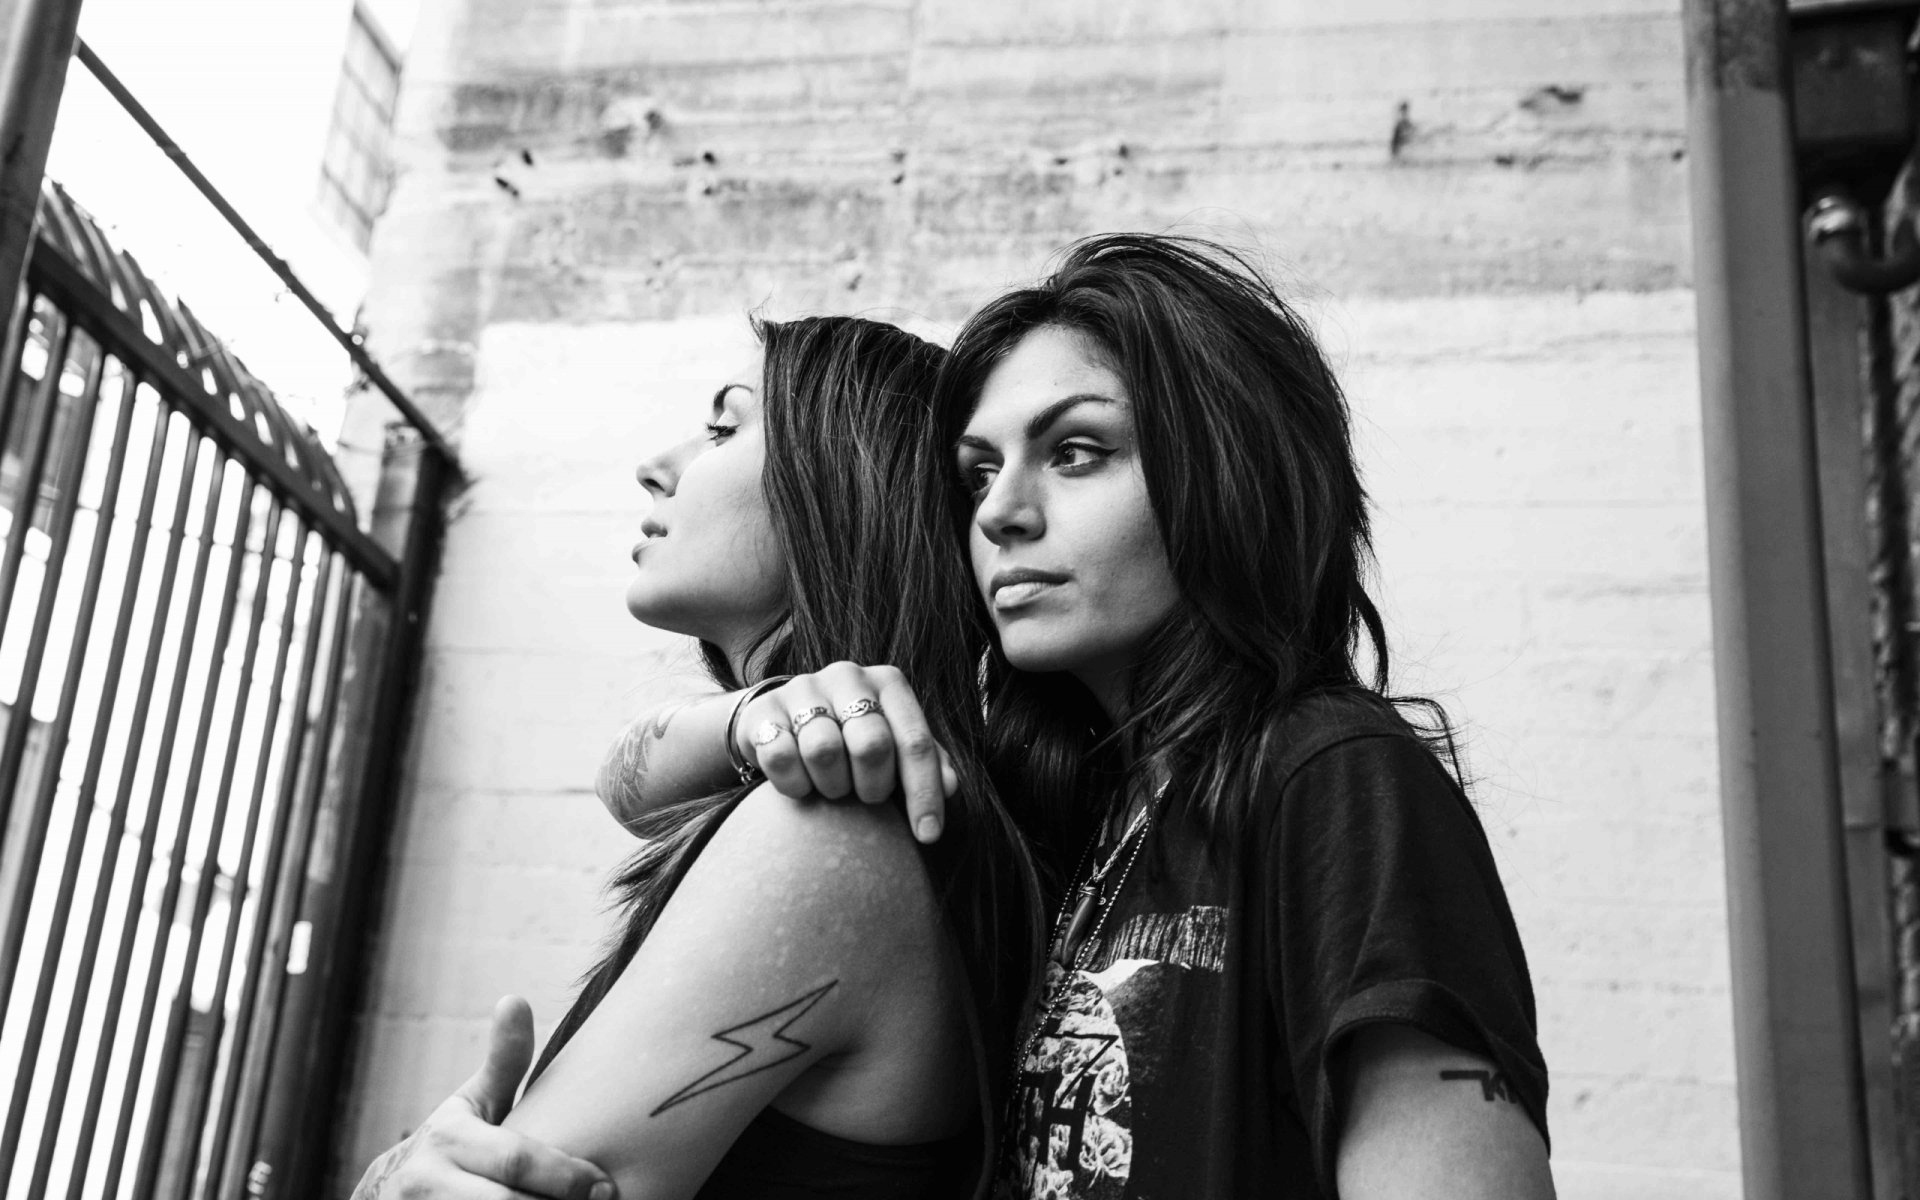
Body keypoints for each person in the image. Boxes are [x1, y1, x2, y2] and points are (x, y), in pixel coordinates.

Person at [360, 233, 1555, 1199]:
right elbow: (632, 781)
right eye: (978, 474)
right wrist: (760, 718)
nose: (1002, 516)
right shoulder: (1078, 816)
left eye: (1077, 453)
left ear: (1223, 473)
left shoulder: (1332, 775)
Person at [352, 314, 1042, 1200]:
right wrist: (750, 718)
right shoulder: (808, 779)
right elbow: (625, 780)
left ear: (843, 483)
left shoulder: (834, 826)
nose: (658, 463)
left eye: (725, 426)